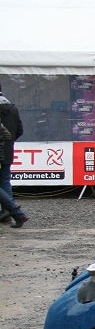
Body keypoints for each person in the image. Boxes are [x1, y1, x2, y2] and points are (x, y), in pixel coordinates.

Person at [0, 83, 25, 226]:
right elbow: (20, 130)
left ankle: (14, 212)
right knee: (4, 181)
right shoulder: (12, 108)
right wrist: (9, 142)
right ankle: (7, 213)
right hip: (7, 149)